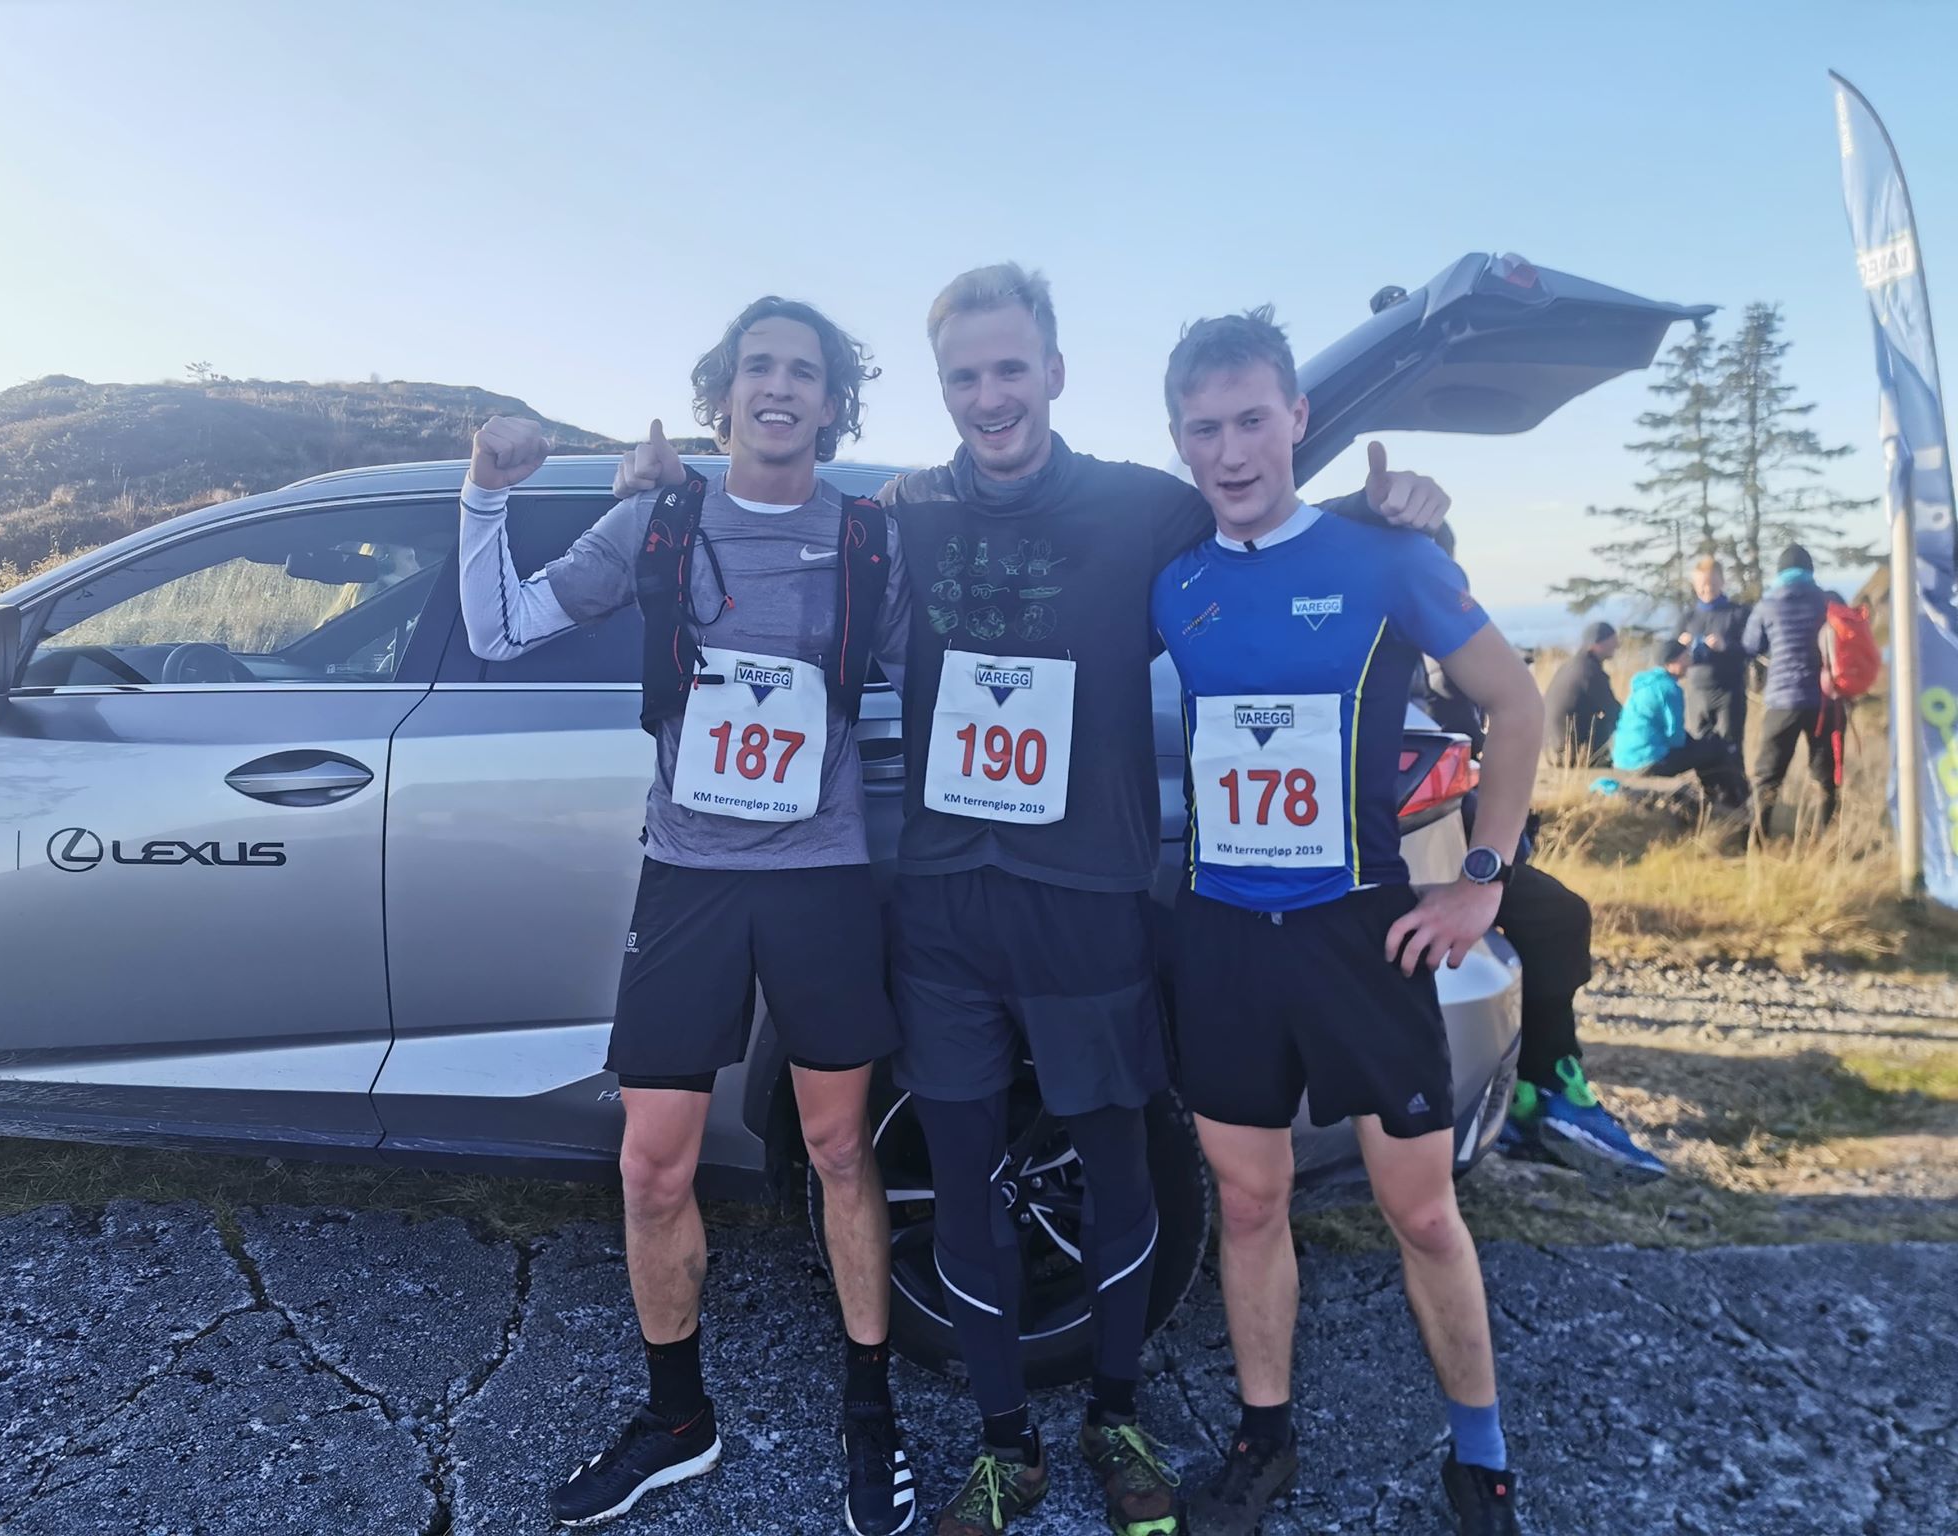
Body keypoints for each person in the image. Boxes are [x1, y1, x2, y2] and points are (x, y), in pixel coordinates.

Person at [613, 262, 1450, 1536]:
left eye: (1011, 368)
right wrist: (652, 489)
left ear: (1053, 372)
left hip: (1087, 898)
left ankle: (1113, 1414)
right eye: (964, 376)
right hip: (945, 904)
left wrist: (1389, 509)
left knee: (1118, 1174)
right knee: (961, 1179)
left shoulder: (1144, 506)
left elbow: (1265, 520)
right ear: (940, 388)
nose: (989, 395)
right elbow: (761, 531)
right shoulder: (898, 513)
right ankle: (1005, 1444)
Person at [458, 298, 921, 1533]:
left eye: (804, 372)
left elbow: (950, 671)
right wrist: (486, 494)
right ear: (721, 394)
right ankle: (676, 1420)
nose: (779, 387)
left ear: (832, 404)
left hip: (820, 876)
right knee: (651, 1163)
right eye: (757, 367)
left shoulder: (868, 540)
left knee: (838, 1149)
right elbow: (499, 629)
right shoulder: (656, 522)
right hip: (689, 877)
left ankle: (869, 1407)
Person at [1152, 307, 1537, 1536]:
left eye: (1250, 420)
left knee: (1418, 1209)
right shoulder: (1174, 580)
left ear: (1297, 418)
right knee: (1247, 1202)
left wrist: (1482, 877)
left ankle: (1479, 1461)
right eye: (1202, 429)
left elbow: (1517, 706)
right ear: (1178, 440)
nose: (1229, 451)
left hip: (1357, 931)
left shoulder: (1384, 558)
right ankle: (1262, 1440)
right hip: (1222, 934)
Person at [1413, 532, 1666, 1184]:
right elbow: (1456, 723)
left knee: (1548, 918)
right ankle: (1544, 1090)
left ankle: (1530, 1086)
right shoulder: (1416, 621)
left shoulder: (1414, 618)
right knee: (1554, 919)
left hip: (1434, 817)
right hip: (1408, 833)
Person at [1743, 544, 1847, 842]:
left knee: (1768, 776)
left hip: (1783, 701)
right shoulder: (1828, 600)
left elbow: (1750, 645)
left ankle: (1758, 840)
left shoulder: (1768, 605)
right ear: (1810, 570)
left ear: (1780, 572)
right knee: (1825, 777)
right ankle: (1823, 842)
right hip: (1826, 702)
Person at [1609, 639, 1746, 807]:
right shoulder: (1669, 689)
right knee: (1715, 749)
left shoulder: (1644, 685)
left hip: (1623, 761)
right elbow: (1676, 738)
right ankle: (1725, 802)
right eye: (1685, 657)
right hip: (1649, 761)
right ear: (1671, 662)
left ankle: (1718, 801)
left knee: (1702, 748)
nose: (1690, 661)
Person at [1676, 554, 1752, 766]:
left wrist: (1725, 646)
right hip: (1697, 692)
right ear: (1694, 585)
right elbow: (1669, 657)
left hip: (1729, 692)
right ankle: (1706, 787)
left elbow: (1751, 649)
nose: (1706, 588)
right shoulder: (1688, 617)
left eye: (1711, 583)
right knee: (1700, 747)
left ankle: (1735, 787)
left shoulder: (1738, 613)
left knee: (1731, 747)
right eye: (1701, 584)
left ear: (1722, 581)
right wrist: (1680, 645)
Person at [1541, 622, 1621, 767]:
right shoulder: (1589, 672)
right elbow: (1613, 710)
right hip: (1572, 752)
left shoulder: (1570, 666)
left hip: (1550, 748)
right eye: (1613, 642)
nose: (1617, 646)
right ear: (1597, 644)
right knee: (1609, 721)